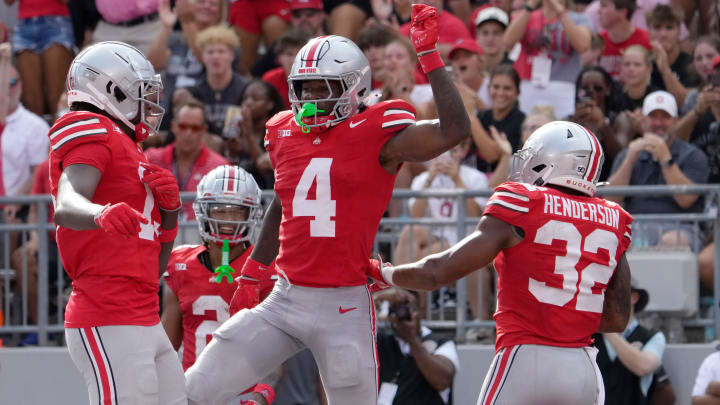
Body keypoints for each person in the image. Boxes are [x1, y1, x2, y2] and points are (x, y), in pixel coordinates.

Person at [184, 5, 471, 404]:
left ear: (354, 89)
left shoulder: (378, 132)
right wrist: (252, 273)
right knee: (196, 387)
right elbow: (283, 204)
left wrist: (430, 59)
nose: (311, 98)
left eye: (323, 88)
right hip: (286, 297)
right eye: (305, 88)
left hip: (344, 304)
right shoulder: (284, 131)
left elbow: (454, 129)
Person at [373, 120, 634, 405]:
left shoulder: (522, 201)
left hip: (525, 357)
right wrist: (567, 317)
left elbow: (437, 273)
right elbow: (617, 318)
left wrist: (384, 273)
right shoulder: (614, 218)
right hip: (583, 366)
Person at [48, 41, 186, 405]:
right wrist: (99, 212)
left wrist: (169, 216)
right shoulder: (90, 126)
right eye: (142, 92)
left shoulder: (129, 146)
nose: (150, 103)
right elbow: (66, 202)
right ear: (113, 90)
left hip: (144, 309)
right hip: (106, 310)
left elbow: (154, 268)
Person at [161, 164, 280, 404]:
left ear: (252, 215)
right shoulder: (180, 264)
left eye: (236, 212)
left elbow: (275, 352)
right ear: (203, 210)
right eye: (219, 210)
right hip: (191, 391)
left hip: (244, 393)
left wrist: (261, 394)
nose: (227, 221)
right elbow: (165, 346)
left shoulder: (267, 269)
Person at [607, 90, 709, 250]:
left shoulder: (693, 155)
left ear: (675, 121)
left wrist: (665, 158)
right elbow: (610, 200)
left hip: (681, 227)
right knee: (616, 240)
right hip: (636, 225)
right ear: (643, 120)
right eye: (653, 117)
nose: (658, 123)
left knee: (671, 241)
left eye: (665, 117)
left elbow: (686, 199)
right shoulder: (628, 154)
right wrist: (630, 159)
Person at [145, 99, 228, 222]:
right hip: (157, 234)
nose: (188, 133)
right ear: (173, 127)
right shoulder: (150, 159)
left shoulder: (219, 168)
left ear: (204, 130)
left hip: (199, 237)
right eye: (183, 126)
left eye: (195, 128)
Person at [374, 287, 459, 405]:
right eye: (397, 308)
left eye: (407, 307)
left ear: (419, 310)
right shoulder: (381, 342)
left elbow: (442, 381)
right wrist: (376, 299)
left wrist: (412, 340)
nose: (402, 313)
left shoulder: (441, 342)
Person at [593, 278, 668, 405]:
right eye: (606, 293)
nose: (610, 298)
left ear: (634, 297)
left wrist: (608, 329)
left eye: (617, 291)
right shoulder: (590, 337)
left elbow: (643, 366)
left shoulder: (653, 337)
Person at [6, 0, 74, 117]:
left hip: (56, 23)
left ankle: (60, 135)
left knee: (57, 101)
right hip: (24, 25)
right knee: (30, 102)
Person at [185, 25, 247, 137]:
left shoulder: (245, 89)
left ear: (232, 55)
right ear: (202, 57)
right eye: (210, 52)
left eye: (221, 51)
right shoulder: (194, 91)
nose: (216, 56)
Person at [597, 0, 652, 78]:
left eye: (604, 6)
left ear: (622, 12)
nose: (598, 11)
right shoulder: (598, 40)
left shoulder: (647, 41)